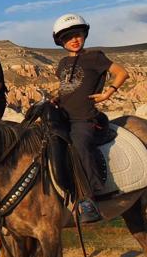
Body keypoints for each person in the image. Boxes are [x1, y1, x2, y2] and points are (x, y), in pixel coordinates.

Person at [52, 13, 129, 223]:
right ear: (61, 42)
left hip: (84, 118)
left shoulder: (95, 57)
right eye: (68, 37)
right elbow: (67, 89)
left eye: (77, 35)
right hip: (63, 116)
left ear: (84, 35)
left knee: (79, 144)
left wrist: (108, 92)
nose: (74, 40)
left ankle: (90, 197)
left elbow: (122, 73)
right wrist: (54, 99)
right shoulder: (62, 64)